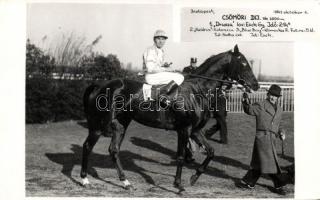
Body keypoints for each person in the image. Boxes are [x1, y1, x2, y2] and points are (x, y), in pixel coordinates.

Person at [237, 84, 289, 195]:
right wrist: (245, 99)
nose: (273, 97)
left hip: (272, 139)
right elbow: (249, 110)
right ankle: (279, 184)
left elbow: (279, 124)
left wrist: (281, 132)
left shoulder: (279, 109)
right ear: (268, 94)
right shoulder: (261, 105)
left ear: (278, 97)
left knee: (259, 163)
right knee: (270, 162)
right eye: (271, 95)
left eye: (275, 96)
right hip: (262, 138)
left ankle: (248, 182)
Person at [142, 30, 184, 101]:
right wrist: (166, 69)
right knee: (180, 77)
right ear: (154, 39)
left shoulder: (161, 51)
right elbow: (150, 68)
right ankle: (163, 96)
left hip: (156, 75)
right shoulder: (150, 50)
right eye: (159, 39)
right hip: (151, 76)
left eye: (163, 39)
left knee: (177, 74)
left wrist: (165, 65)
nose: (161, 41)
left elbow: (158, 64)